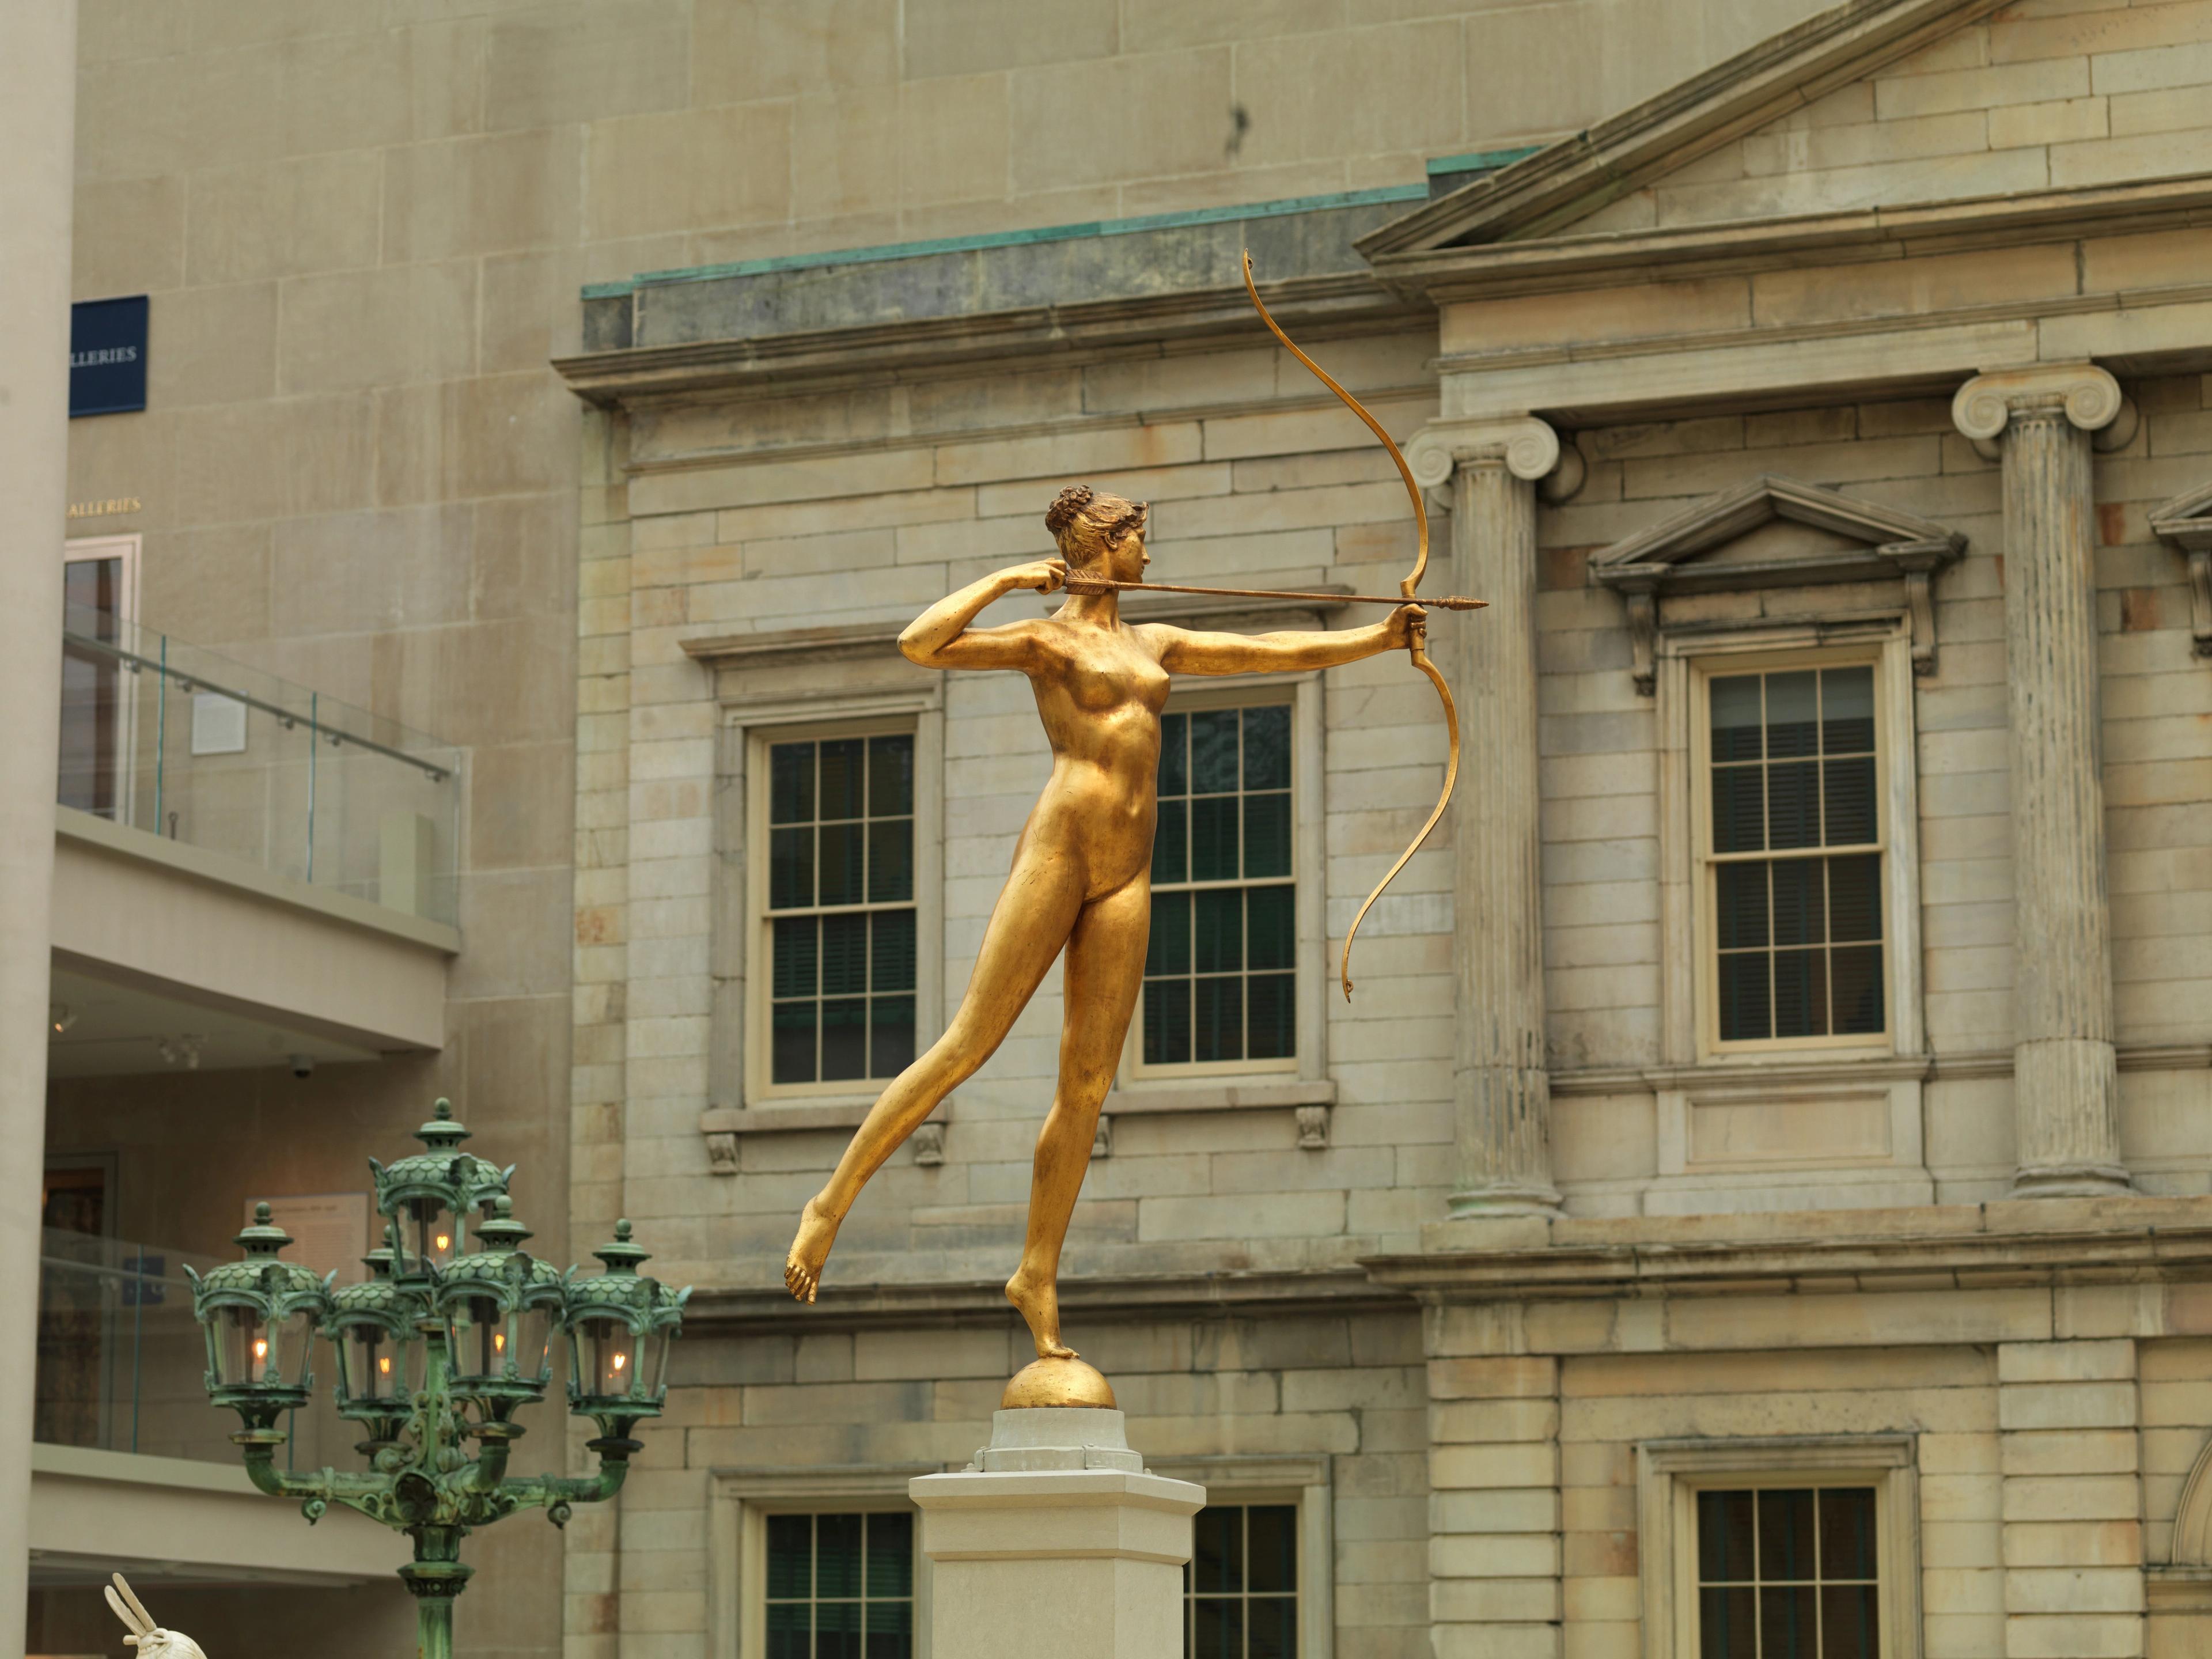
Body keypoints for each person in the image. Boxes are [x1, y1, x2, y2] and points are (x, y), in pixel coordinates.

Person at [785, 484, 1423, 1362]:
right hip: (1063, 845)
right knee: (970, 1041)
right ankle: (829, 1205)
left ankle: (1036, 1274)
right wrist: (1008, 579)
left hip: (1129, 865)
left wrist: (1379, 637)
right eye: (1138, 540)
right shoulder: (1047, 641)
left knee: (1088, 1084)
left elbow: (1268, 651)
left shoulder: (1155, 642)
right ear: (1104, 544)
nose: (1150, 557)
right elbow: (919, 644)